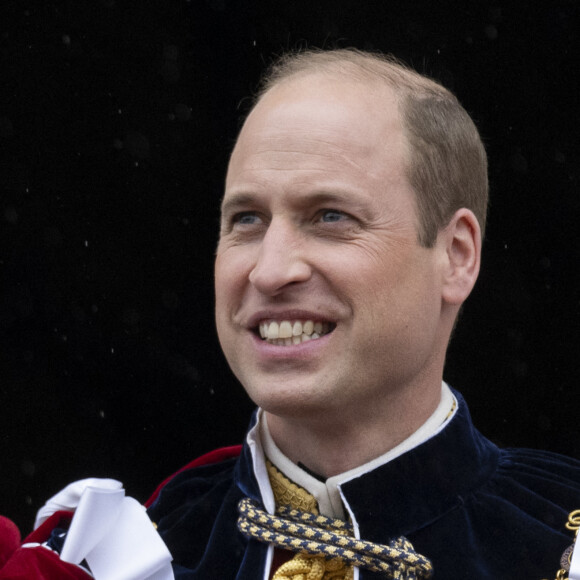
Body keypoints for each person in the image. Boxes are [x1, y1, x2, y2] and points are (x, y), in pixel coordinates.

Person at [1, 48, 580, 580]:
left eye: (329, 216)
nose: (270, 271)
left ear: (456, 256)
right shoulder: (119, 556)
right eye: (246, 220)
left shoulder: (559, 543)